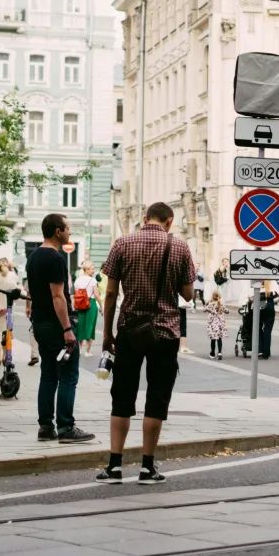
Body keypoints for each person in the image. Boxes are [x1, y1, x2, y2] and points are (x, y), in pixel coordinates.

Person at [98, 202, 195, 484]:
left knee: (122, 396)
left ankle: (114, 465)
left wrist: (107, 334)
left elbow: (111, 294)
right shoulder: (179, 247)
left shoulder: (122, 243)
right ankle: (147, 467)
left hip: (129, 331)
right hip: (165, 333)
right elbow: (188, 294)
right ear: (169, 221)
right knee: (156, 398)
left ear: (145, 218)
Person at [25, 214, 95, 445]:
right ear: (57, 231)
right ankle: (66, 427)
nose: (69, 232)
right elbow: (58, 297)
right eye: (67, 229)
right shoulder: (55, 259)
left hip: (41, 323)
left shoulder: (33, 256)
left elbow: (33, 292)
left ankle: (46, 426)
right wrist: (67, 329)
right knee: (68, 376)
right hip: (57, 326)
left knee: (48, 374)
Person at [0, 258, 26, 366]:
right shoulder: (12, 277)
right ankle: (6, 355)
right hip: (8, 310)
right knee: (6, 333)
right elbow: (17, 293)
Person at [72, 261, 101, 356]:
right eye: (92, 268)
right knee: (90, 327)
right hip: (91, 305)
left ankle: (79, 349)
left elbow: (76, 295)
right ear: (87, 269)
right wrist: (101, 306)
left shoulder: (77, 280)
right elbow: (96, 295)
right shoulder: (93, 281)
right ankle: (87, 351)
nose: (94, 270)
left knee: (80, 326)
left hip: (80, 305)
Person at [255, 279, 279, 360]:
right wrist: (273, 300)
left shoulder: (256, 281)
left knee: (258, 328)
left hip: (259, 304)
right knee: (268, 330)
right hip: (269, 305)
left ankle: (260, 350)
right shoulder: (272, 281)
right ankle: (266, 352)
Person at [206, 291, 227, 360]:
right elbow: (227, 311)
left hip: (213, 324)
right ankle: (219, 352)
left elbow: (205, 309)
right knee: (219, 339)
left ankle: (212, 353)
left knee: (213, 339)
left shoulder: (211, 304)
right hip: (220, 324)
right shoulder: (221, 304)